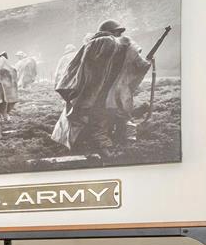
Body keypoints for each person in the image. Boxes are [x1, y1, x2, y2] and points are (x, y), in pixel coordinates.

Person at [52, 18, 149, 152]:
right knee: (118, 117)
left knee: (98, 121)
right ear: (115, 31)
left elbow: (81, 69)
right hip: (118, 93)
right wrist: (147, 62)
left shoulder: (96, 43)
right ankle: (122, 144)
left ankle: (105, 147)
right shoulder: (128, 44)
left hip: (99, 93)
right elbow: (140, 66)